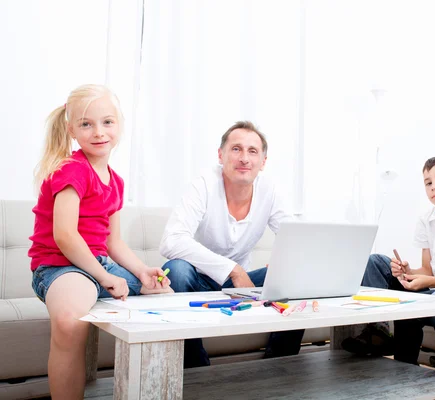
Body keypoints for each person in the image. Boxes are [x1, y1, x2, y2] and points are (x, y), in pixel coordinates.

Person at [29, 84, 172, 400]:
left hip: (97, 264)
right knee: (70, 322)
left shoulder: (116, 180)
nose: (98, 132)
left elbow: (113, 242)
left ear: (119, 124)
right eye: (86, 124)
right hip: (60, 267)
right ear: (71, 130)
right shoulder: (71, 170)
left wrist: (142, 270)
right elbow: (65, 236)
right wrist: (106, 277)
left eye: (107, 122)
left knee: (163, 288)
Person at [160, 121, 304, 367]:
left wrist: (284, 264)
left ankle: (280, 364)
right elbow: (171, 241)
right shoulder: (204, 184)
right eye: (236, 149)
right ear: (221, 155)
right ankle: (196, 367)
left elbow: (295, 240)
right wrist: (233, 270)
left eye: (252, 151)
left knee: (295, 276)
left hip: (242, 286)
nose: (244, 158)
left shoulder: (270, 190)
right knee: (176, 269)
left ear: (263, 161)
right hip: (199, 280)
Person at [342, 155, 435, 366]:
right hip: (434, 286)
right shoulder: (426, 219)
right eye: (428, 183)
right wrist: (408, 271)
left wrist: (427, 282)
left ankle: (404, 363)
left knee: (419, 304)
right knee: (375, 262)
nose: (434, 187)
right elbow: (428, 270)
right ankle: (378, 329)